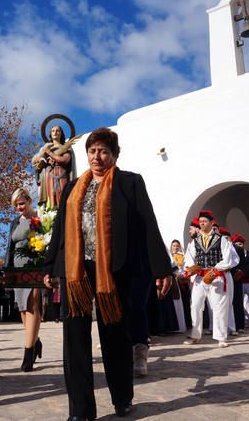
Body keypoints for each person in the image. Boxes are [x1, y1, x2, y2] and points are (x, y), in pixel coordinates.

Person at [42, 127, 172, 420]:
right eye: (92, 151)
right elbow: (60, 228)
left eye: (103, 151)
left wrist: (162, 268)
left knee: (115, 336)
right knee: (74, 340)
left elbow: (147, 224)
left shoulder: (129, 183)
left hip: (115, 270)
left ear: (114, 154)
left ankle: (122, 398)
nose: (97, 157)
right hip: (75, 270)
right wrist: (50, 265)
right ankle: (80, 410)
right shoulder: (74, 187)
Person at [183, 210, 238, 348]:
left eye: (205, 221)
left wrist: (215, 270)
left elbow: (228, 259)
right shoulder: (195, 241)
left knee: (219, 307)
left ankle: (221, 337)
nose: (202, 223)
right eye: (200, 221)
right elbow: (189, 258)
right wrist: (192, 268)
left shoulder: (222, 240)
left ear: (212, 223)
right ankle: (195, 335)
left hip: (216, 276)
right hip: (200, 277)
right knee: (195, 305)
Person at [4, 188, 43, 371]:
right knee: (22, 308)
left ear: (29, 200)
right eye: (16, 205)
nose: (19, 207)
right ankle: (36, 341)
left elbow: (43, 241)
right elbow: (9, 248)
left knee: (33, 305)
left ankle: (28, 353)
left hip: (33, 265)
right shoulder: (14, 222)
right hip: (16, 267)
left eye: (22, 203)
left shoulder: (36, 218)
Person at [32, 125, 74, 208]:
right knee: (50, 196)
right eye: (53, 131)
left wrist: (49, 153)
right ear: (50, 134)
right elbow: (34, 161)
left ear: (61, 133)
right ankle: (51, 214)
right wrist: (43, 158)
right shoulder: (46, 147)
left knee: (62, 194)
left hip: (61, 173)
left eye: (58, 131)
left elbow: (65, 160)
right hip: (49, 174)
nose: (55, 132)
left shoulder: (65, 147)